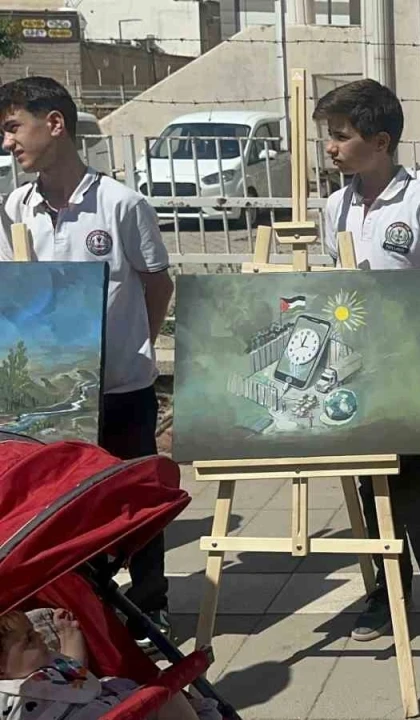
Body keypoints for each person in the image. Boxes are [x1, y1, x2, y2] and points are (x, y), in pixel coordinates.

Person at [0, 77, 174, 645]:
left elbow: (156, 284)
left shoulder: (122, 205)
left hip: (121, 387)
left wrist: (134, 345)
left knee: (131, 498)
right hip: (51, 400)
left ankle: (151, 606)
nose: (7, 143)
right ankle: (78, 615)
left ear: (54, 124)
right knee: (63, 511)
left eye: (13, 127)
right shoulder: (16, 208)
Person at [315, 79, 420, 659]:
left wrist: (403, 326)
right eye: (329, 137)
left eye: (341, 136)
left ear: (380, 142)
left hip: (404, 366)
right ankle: (387, 592)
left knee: (411, 487)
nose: (331, 148)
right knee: (367, 484)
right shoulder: (335, 207)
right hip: (350, 372)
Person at [0, 609, 202, 719]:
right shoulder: (6, 698)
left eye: (34, 631)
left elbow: (77, 676)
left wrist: (70, 635)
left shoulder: (50, 665)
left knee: (164, 694)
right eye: (29, 639)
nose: (40, 636)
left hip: (117, 710)